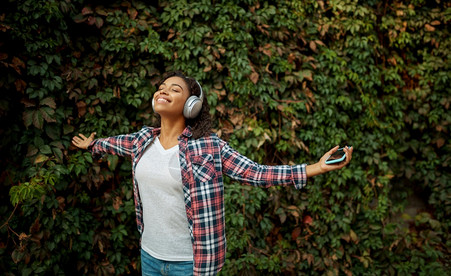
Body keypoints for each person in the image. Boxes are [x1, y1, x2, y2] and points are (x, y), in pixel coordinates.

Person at [72, 71, 353, 276]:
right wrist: (92, 145)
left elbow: (255, 172)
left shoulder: (209, 147)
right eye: (161, 87)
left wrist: (315, 167)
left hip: (192, 264)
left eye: (174, 89)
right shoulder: (141, 140)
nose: (163, 91)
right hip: (150, 257)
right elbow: (113, 144)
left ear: (191, 105)